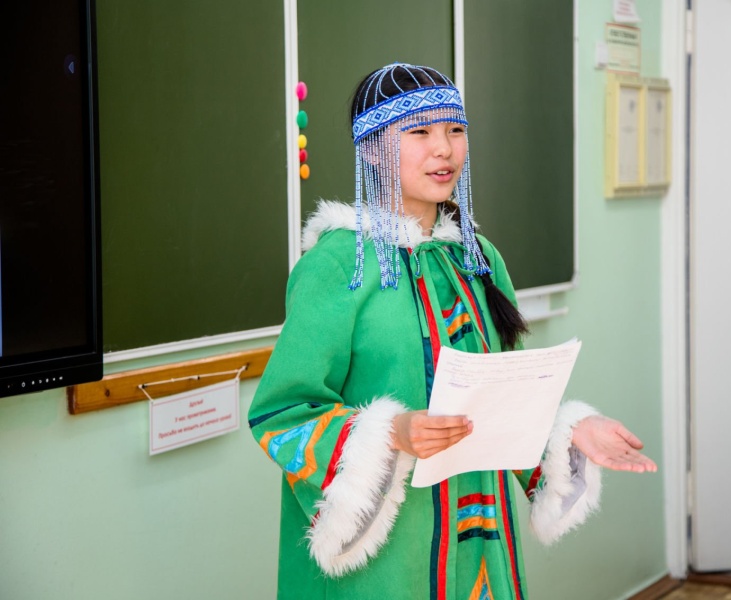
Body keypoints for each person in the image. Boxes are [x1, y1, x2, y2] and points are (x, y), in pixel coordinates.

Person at [249, 62, 657, 600]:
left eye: (455, 129)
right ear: (372, 149)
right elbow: (283, 411)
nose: (443, 148)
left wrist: (567, 432)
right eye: (420, 132)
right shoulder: (337, 265)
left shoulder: (478, 258)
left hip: (480, 534)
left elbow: (504, 398)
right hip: (386, 557)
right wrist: (392, 434)